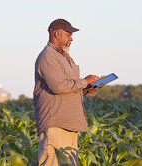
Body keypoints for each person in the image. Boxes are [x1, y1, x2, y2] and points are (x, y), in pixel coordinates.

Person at [33, 18, 99, 166]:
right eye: (68, 34)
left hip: (69, 123)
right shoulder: (48, 56)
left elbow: (70, 87)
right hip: (55, 123)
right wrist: (85, 81)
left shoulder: (64, 57)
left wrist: (89, 87)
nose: (71, 39)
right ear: (56, 34)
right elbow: (58, 87)